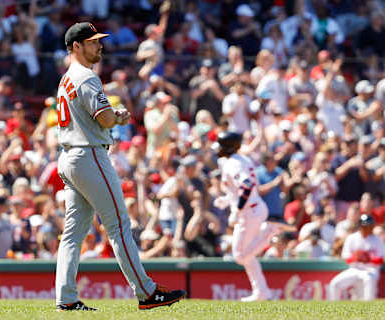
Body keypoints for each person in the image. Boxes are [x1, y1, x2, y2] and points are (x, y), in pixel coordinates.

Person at [54, 22, 185, 311]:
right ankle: (147, 292)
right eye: (92, 42)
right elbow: (103, 118)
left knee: (73, 233)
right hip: (88, 154)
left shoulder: (66, 78)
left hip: (70, 156)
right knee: (119, 226)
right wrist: (118, 117)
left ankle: (66, 299)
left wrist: (111, 115)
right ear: (76, 46)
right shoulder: (86, 76)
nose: (99, 46)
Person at [213, 132, 295, 301]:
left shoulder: (233, 163)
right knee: (248, 257)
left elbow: (247, 186)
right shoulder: (242, 159)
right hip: (254, 208)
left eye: (221, 146)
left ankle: (269, 231)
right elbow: (243, 188)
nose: (218, 149)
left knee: (240, 256)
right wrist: (228, 200)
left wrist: (237, 209)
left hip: (249, 211)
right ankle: (261, 292)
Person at [328, 215, 384, 300]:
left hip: (370, 269)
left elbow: (381, 259)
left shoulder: (377, 239)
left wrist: (369, 259)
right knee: (335, 283)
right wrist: (356, 258)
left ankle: (369, 307)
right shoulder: (352, 238)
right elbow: (346, 256)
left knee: (369, 279)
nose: (367, 228)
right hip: (355, 269)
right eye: (365, 226)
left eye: (369, 225)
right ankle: (332, 307)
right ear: (360, 226)